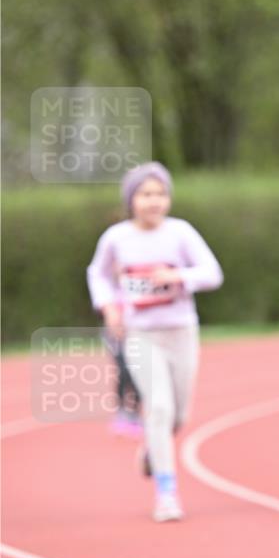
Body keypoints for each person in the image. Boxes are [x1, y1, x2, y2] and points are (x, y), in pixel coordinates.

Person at [87, 162, 223, 522]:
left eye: (160, 194)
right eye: (146, 194)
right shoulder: (116, 238)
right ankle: (166, 493)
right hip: (141, 334)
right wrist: (109, 307)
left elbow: (212, 273)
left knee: (178, 415)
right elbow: (98, 274)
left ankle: (153, 446)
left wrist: (176, 276)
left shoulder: (180, 232)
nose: (154, 201)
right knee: (159, 409)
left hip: (181, 332)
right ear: (131, 200)